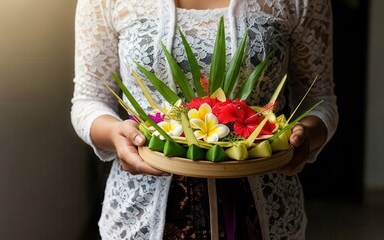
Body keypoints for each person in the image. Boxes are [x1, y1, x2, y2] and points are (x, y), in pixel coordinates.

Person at [71, 0, 338, 239]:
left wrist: (303, 136)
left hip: (264, 210)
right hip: (142, 209)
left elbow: (321, 100)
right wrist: (117, 133)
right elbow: (88, 100)